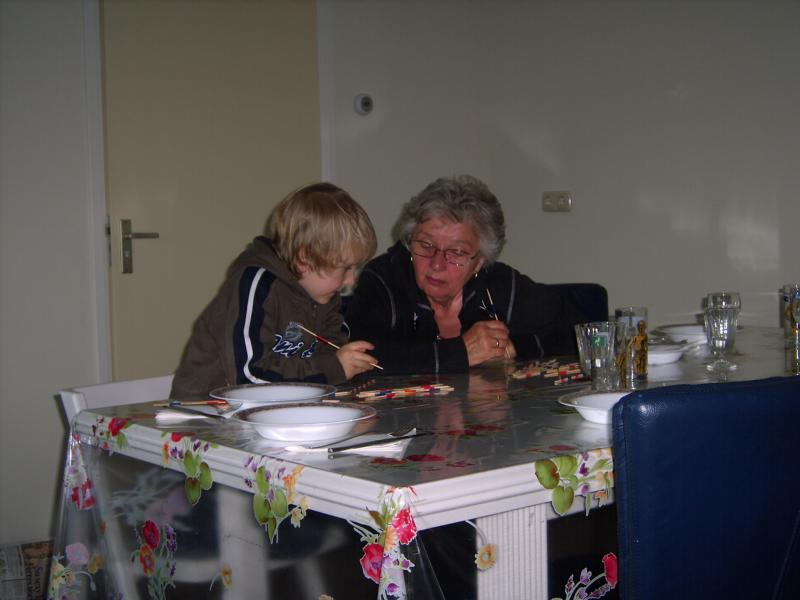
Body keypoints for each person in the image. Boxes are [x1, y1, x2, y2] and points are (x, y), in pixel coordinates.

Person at [345, 175, 585, 374]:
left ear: (480, 261)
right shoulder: (384, 279)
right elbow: (360, 355)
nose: (437, 264)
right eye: (426, 245)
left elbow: (581, 333)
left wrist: (514, 346)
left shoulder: (499, 284)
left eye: (457, 252)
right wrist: (460, 353)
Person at [170, 182, 379, 399]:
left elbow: (330, 352)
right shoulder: (256, 284)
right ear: (304, 259)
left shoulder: (326, 295)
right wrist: (333, 368)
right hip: (207, 407)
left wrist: (342, 362)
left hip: (276, 404)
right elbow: (248, 377)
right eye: (345, 268)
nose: (351, 280)